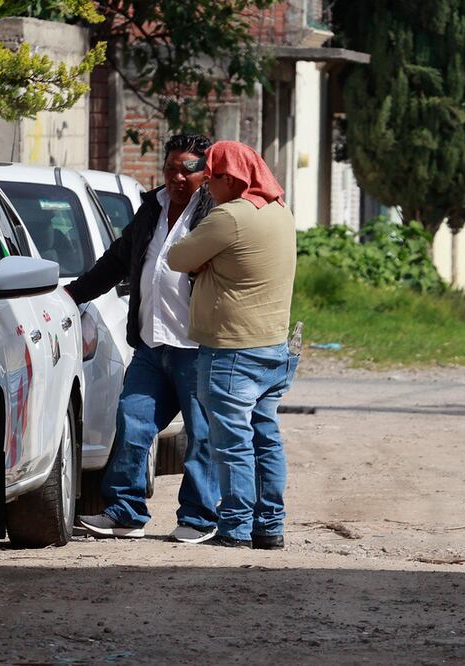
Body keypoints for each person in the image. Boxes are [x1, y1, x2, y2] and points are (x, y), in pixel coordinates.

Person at [69, 134, 221, 543]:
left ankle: (199, 517)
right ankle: (125, 512)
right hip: (152, 344)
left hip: (196, 346)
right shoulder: (151, 208)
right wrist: (73, 295)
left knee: (201, 434)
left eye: (186, 169)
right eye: (170, 168)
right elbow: (118, 260)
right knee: (133, 423)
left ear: (205, 173)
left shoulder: (215, 212)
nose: (176, 177)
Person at [167, 140, 298, 550]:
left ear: (231, 178)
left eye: (212, 177)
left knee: (232, 443)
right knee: (265, 437)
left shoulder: (231, 217)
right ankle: (269, 526)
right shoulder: (280, 212)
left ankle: (236, 527)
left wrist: (205, 260)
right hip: (273, 347)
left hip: (232, 350)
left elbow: (176, 257)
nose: (205, 186)